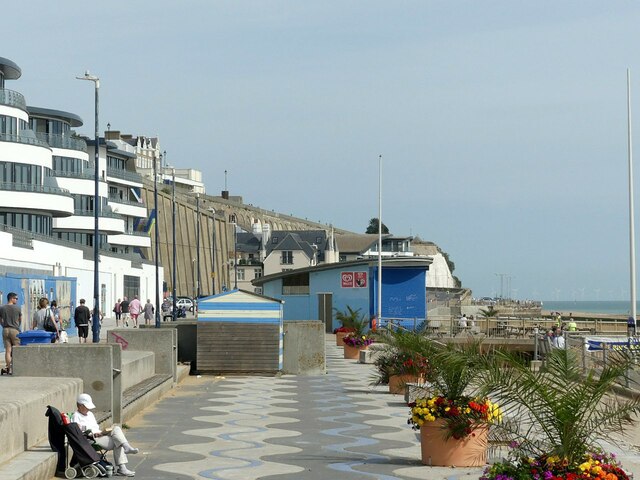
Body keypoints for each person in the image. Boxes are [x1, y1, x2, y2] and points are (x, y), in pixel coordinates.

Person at [71, 393, 138, 477]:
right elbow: (78, 431)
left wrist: (101, 433)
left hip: (100, 435)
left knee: (116, 429)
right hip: (92, 438)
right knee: (118, 441)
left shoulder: (90, 414)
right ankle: (123, 466)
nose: (88, 409)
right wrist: (92, 433)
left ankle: (126, 448)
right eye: (86, 407)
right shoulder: (76, 416)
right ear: (80, 406)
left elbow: (95, 426)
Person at [0, 292, 21, 375]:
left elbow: (0, 320)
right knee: (16, 349)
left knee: (8, 350)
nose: (16, 300)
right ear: (11, 298)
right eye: (16, 298)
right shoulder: (17, 308)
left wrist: (3, 326)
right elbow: (20, 319)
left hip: (5, 330)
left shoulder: (2, 308)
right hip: (14, 330)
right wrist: (17, 327)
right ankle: (16, 367)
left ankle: (9, 368)